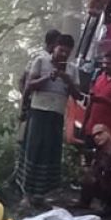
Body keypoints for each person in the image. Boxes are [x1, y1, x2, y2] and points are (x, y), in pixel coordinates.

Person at [17, 34, 81, 204]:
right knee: (34, 150)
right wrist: (47, 78)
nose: (63, 55)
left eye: (67, 53)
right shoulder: (40, 61)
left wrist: (68, 81)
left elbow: (78, 95)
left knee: (51, 153)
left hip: (57, 114)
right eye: (60, 50)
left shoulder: (72, 69)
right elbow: (29, 86)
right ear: (54, 48)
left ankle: (45, 193)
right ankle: (27, 193)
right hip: (38, 112)